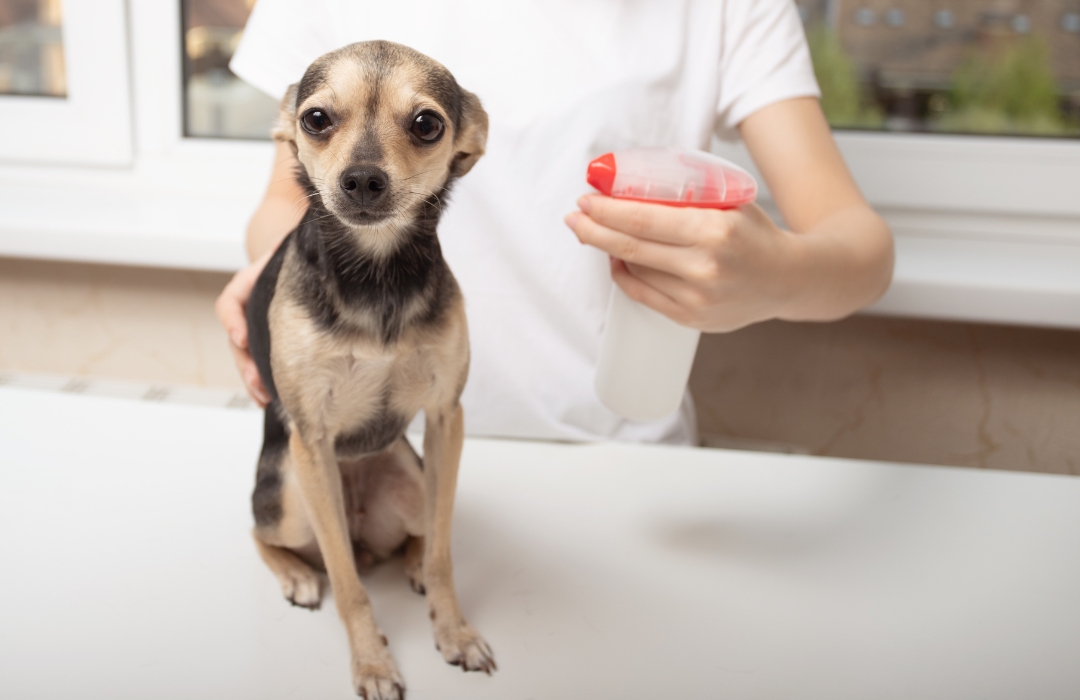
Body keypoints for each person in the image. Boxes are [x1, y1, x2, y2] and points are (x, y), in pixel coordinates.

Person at [215, 0, 893, 446]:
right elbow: (286, 202)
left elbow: (862, 249)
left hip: (618, 458)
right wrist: (280, 276)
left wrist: (776, 277)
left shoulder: (722, 10)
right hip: (383, 451)